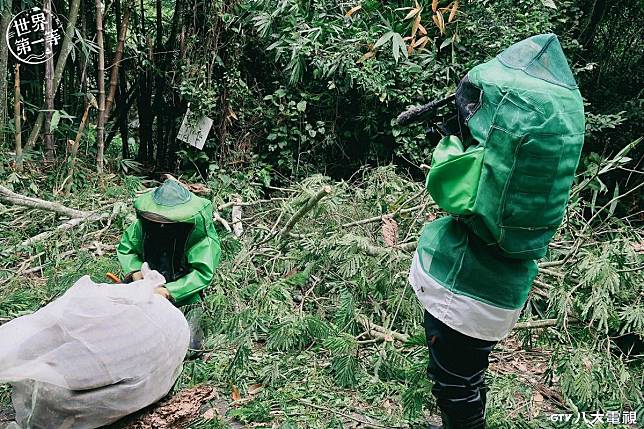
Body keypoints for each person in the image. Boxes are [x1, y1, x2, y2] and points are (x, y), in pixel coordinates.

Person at [406, 34, 585, 429]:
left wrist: (451, 139)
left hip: (464, 289)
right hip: (504, 292)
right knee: (470, 371)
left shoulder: (486, 189)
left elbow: (447, 186)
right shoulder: (534, 177)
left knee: (453, 381)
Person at [117, 178, 221, 308]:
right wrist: (136, 271)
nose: (161, 225)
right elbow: (127, 248)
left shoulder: (198, 236)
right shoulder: (144, 224)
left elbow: (202, 273)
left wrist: (170, 290)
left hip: (184, 297)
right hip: (144, 288)